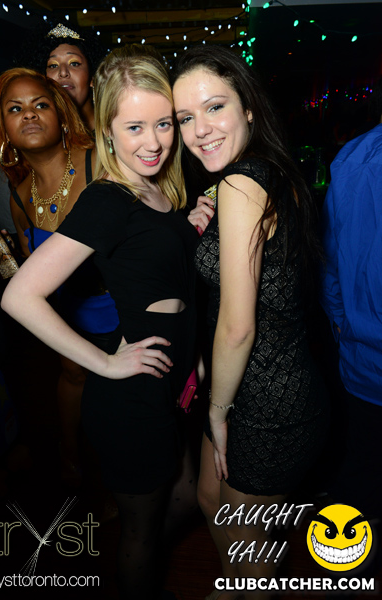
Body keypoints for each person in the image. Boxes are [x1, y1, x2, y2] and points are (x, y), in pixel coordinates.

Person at [1, 53, 197, 600]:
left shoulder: (160, 189)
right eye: (134, 127)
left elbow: (156, 262)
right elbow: (20, 296)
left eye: (163, 123)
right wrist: (106, 363)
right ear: (107, 130)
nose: (153, 142)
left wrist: (189, 227)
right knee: (140, 532)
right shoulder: (108, 199)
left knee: (184, 494)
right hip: (130, 398)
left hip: (168, 382)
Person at [172, 46, 329, 600]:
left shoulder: (242, 183)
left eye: (214, 107)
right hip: (253, 386)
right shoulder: (258, 175)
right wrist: (201, 229)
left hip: (270, 402)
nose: (199, 130)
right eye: (185, 117)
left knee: (246, 546)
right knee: (209, 500)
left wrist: (216, 411)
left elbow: (238, 326)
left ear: (249, 108)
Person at [0, 68, 119, 484]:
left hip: (126, 309)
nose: (29, 114)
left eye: (40, 104)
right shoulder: (19, 196)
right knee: (73, 376)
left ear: (60, 114)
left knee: (123, 401)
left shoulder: (99, 162)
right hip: (70, 313)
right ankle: (71, 454)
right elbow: (35, 271)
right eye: (15, 109)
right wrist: (1, 257)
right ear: (3, 128)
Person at [319, 80, 382, 525]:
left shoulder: (349, 158)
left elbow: (327, 263)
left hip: (361, 360)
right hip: (364, 359)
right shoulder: (350, 159)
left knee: (362, 474)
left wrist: (344, 324)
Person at [15, 21, 104, 133]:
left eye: (74, 63)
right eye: (53, 65)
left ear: (92, 77)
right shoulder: (41, 136)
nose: (63, 72)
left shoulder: (115, 130)